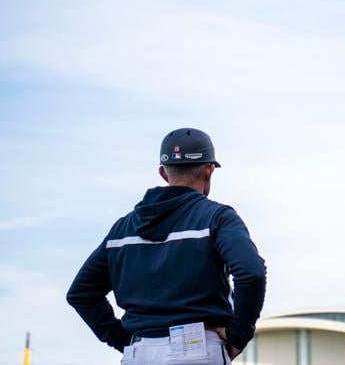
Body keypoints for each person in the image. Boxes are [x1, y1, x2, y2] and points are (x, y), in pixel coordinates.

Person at [67, 128, 266, 364]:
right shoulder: (217, 218)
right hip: (197, 350)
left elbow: (81, 293)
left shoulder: (122, 229)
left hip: (138, 354)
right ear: (209, 170)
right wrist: (238, 335)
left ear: (163, 172)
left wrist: (122, 340)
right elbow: (251, 273)